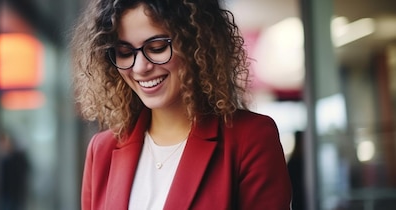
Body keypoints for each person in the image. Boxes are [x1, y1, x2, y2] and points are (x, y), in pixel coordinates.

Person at [70, 0, 292, 209]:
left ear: (197, 43)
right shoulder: (102, 150)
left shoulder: (251, 138)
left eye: (157, 47)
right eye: (125, 53)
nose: (139, 67)